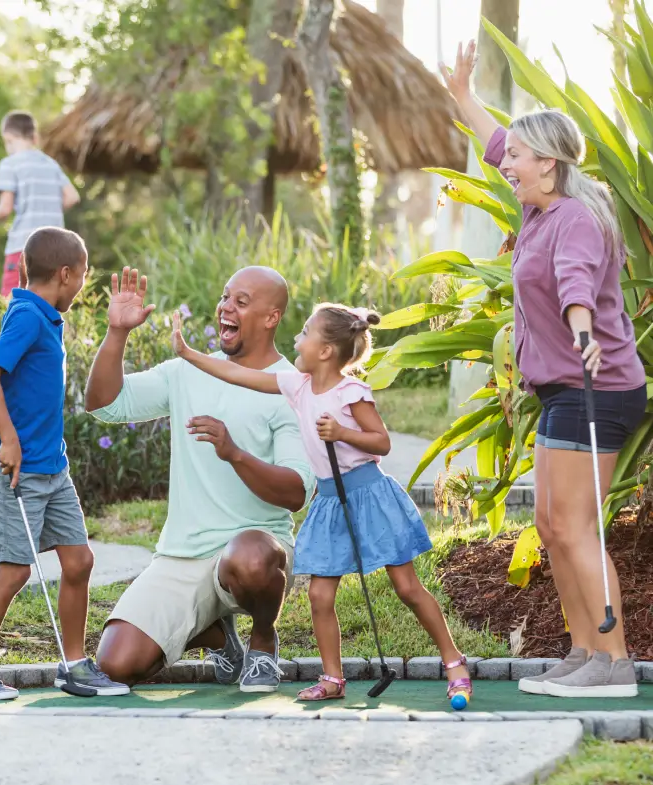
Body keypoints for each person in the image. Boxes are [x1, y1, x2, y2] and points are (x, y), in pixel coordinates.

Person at [441, 41, 646, 698]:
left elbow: (576, 285)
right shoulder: (539, 205)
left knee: (575, 526)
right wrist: (462, 93)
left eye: (521, 159)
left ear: (550, 164)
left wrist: (584, 333)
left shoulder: (577, 220)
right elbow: (495, 137)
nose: (509, 165)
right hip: (564, 390)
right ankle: (584, 651)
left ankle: (613, 665)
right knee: (554, 526)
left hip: (597, 386)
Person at [170, 303, 472, 702]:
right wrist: (189, 353)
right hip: (331, 502)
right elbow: (241, 375)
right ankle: (333, 678)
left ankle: (454, 662)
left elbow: (381, 441)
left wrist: (343, 432)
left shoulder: (352, 392)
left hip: (369, 495)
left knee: (407, 587)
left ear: (326, 350)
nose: (297, 338)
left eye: (306, 332)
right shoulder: (297, 385)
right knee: (319, 595)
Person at [85, 266, 315, 693]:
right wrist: (117, 333)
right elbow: (103, 405)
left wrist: (234, 454)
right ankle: (219, 637)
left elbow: (296, 493)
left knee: (248, 558)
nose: (226, 307)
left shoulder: (291, 389)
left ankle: (263, 644)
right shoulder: (185, 371)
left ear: (271, 317)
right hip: (182, 556)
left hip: (255, 551)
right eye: (225, 297)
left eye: (241, 302)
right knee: (115, 664)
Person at [0, 227, 128, 700]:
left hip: (53, 468)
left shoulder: (46, 316)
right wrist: (8, 438)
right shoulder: (29, 316)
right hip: (19, 469)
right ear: (66, 274)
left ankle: (73, 665)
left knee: (79, 560)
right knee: (15, 571)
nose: (81, 287)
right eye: (83, 278)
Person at [0, 111, 81, 297]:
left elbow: (5, 209)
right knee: (54, 307)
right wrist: (48, 210)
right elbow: (72, 197)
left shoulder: (9, 164)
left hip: (24, 246)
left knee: (12, 303)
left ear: (8, 138)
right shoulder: (50, 164)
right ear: (34, 137)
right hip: (56, 249)